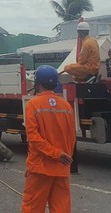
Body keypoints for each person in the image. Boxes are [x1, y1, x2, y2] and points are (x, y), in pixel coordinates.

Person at [22, 65, 76, 213]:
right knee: (61, 209)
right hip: (61, 168)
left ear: (37, 83)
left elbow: (33, 137)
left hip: (40, 168)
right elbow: (71, 138)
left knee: (33, 208)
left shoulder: (33, 104)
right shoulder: (66, 106)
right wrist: (64, 156)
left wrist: (55, 153)